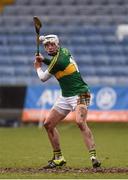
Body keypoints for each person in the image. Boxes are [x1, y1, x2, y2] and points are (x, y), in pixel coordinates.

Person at [34, 34, 101, 169]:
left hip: (81, 93)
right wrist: (43, 41)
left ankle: (93, 157)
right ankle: (58, 158)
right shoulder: (63, 51)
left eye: (52, 44)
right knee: (48, 124)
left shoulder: (58, 60)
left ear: (57, 45)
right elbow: (53, 61)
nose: (50, 47)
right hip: (65, 96)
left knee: (80, 121)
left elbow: (43, 77)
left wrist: (37, 66)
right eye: (47, 45)